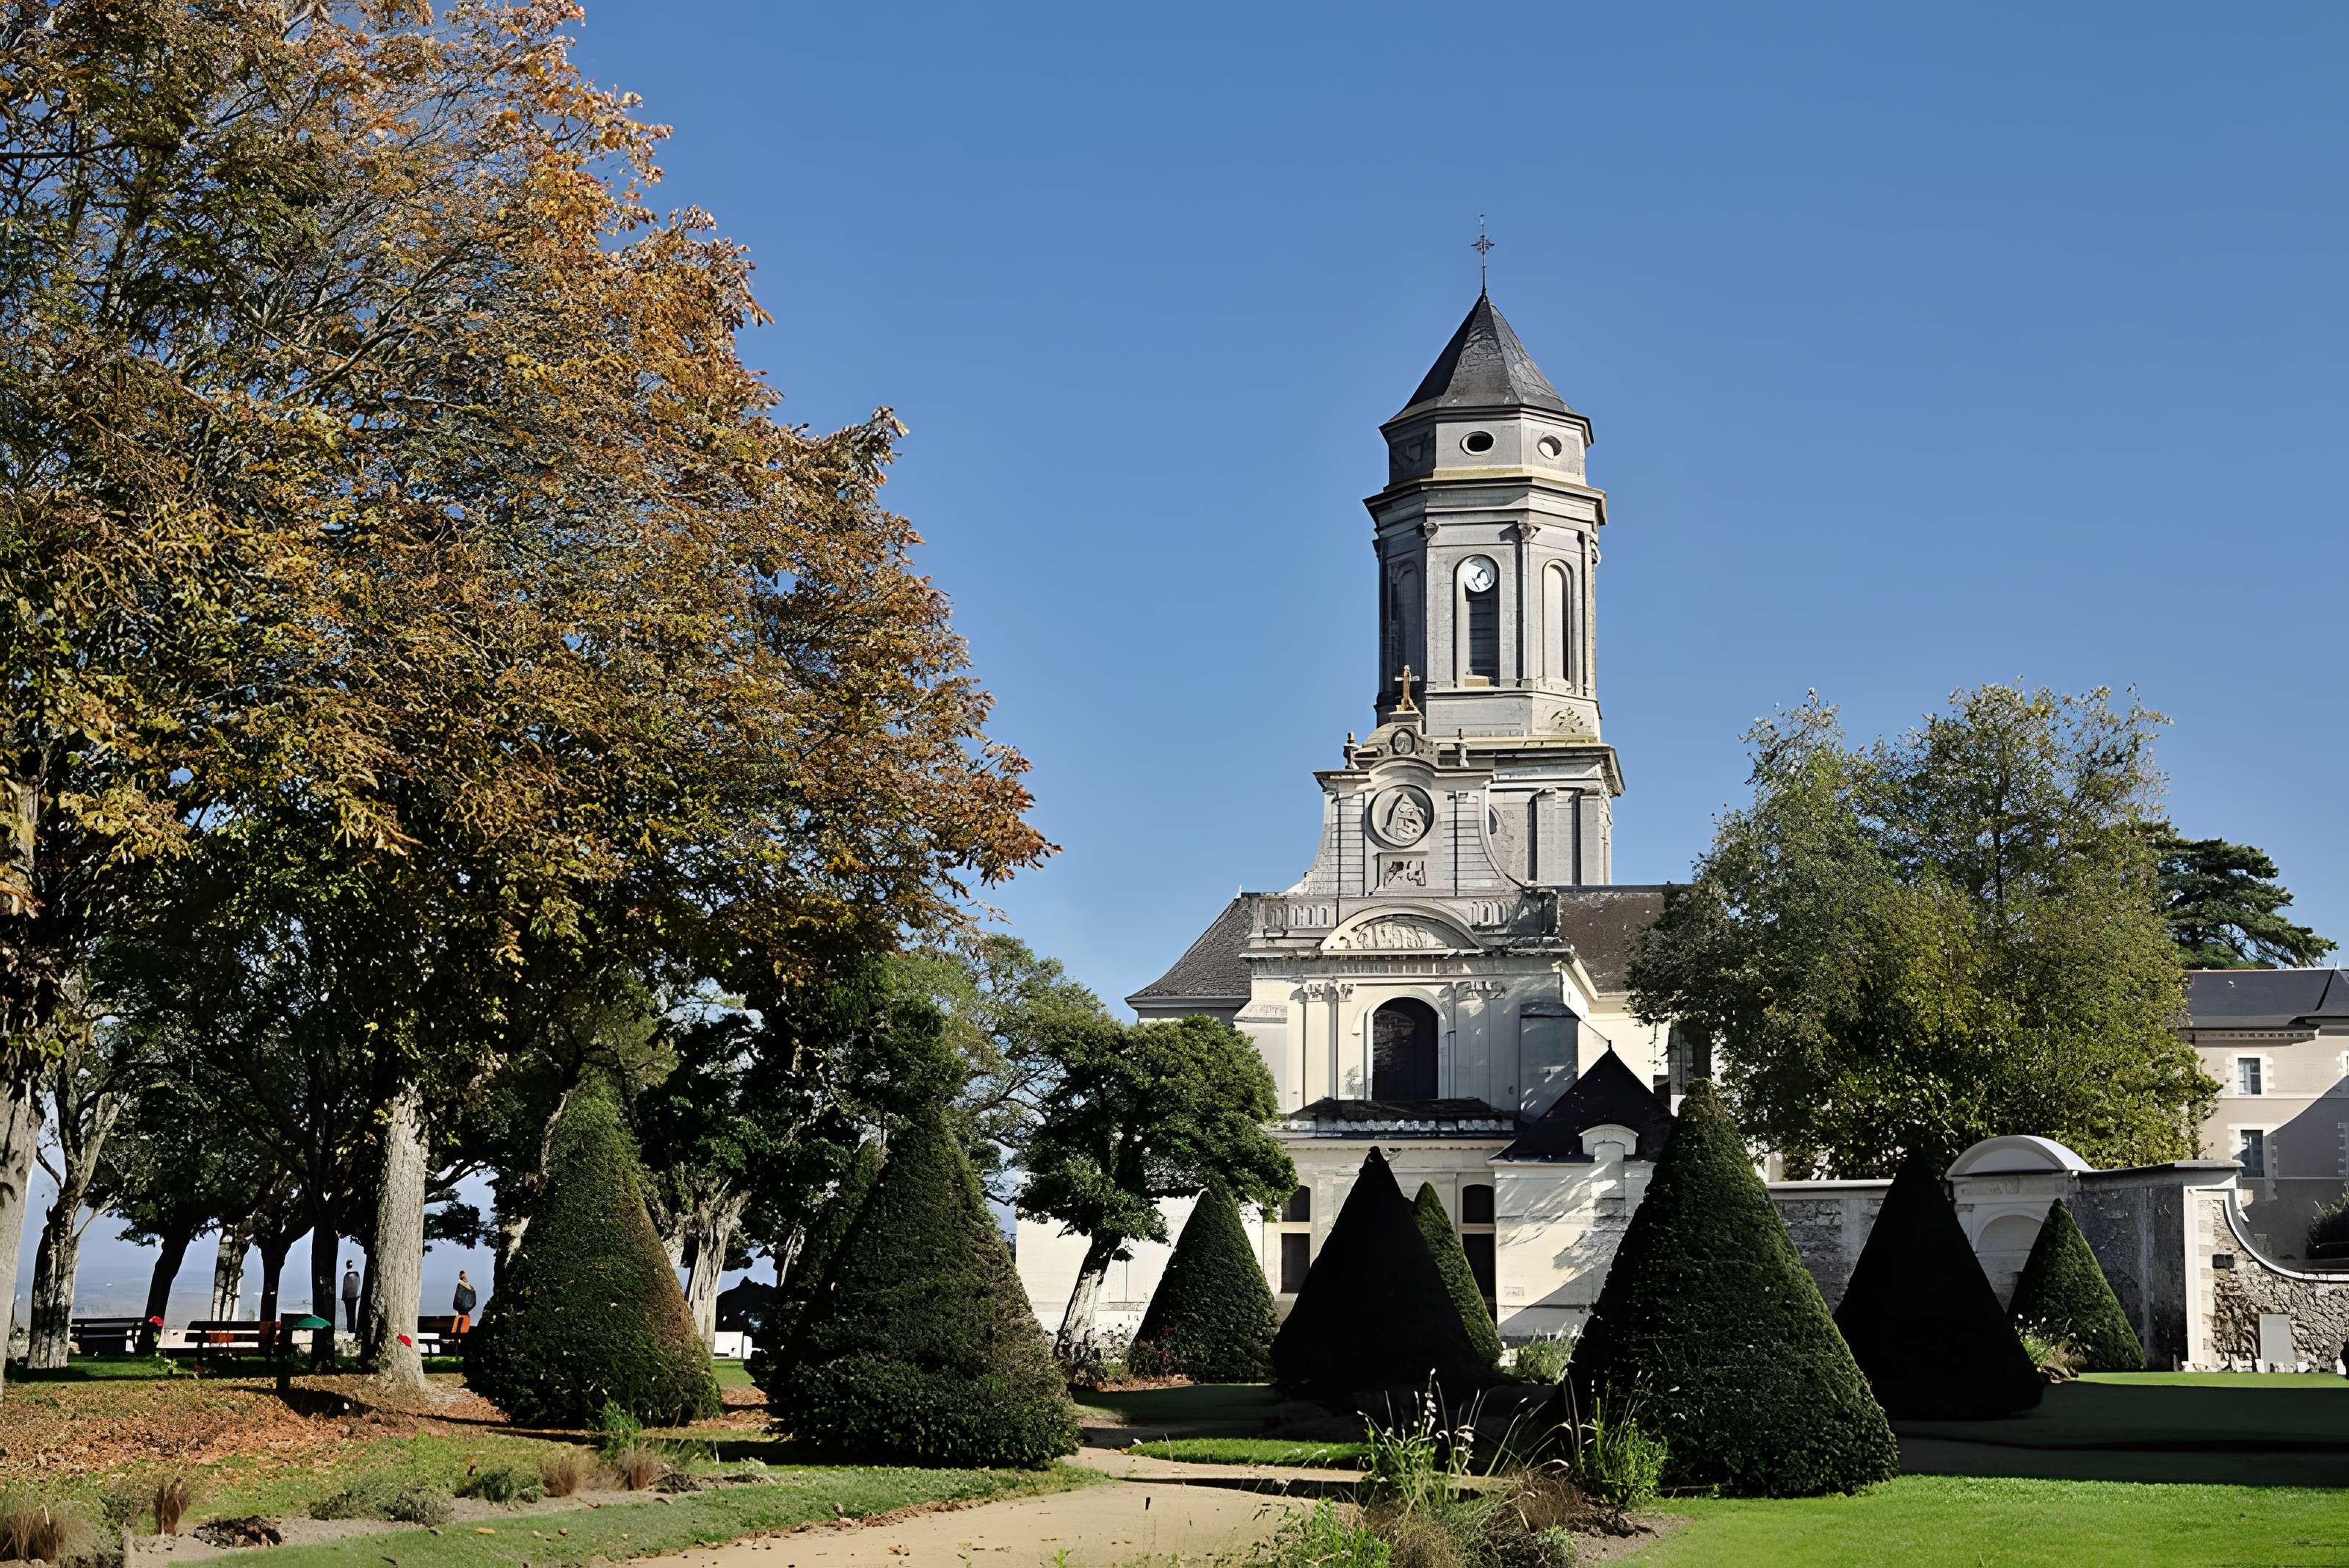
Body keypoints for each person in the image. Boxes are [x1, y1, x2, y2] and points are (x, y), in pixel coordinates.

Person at [452, 1271, 476, 1337]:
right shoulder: (471, 1288)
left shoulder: (460, 1285)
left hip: (460, 1314)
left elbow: (457, 1298)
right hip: (467, 1314)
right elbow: (473, 1302)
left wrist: (457, 1307)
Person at [340, 1260, 361, 1334]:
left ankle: (351, 1329)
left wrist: (344, 1297)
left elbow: (345, 1288)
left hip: (348, 1297)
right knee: (353, 1313)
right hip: (354, 1297)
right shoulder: (357, 1275)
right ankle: (352, 1328)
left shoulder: (347, 1275)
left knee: (349, 1314)